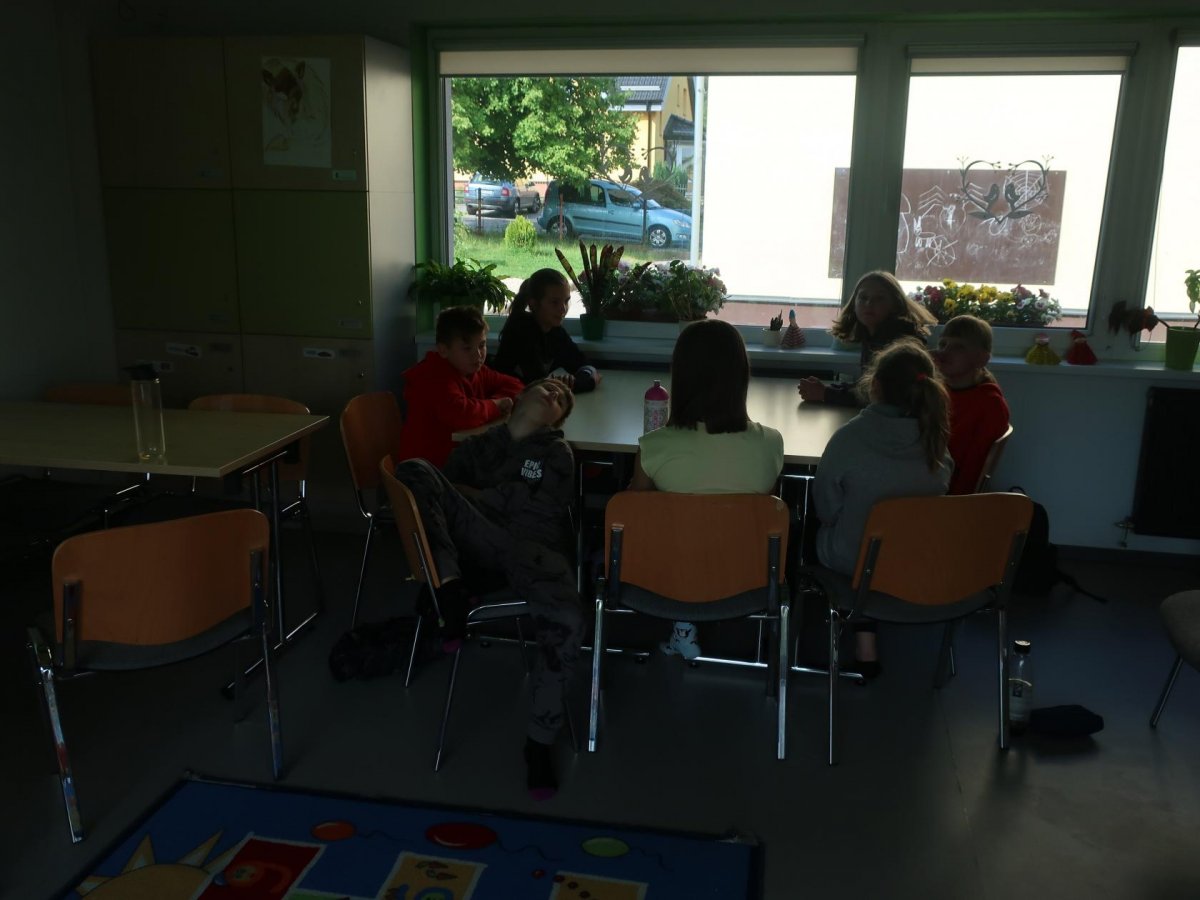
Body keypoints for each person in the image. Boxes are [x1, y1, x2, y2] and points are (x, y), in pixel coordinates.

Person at [394, 379, 581, 800]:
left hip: (534, 551)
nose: (554, 393)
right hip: (480, 543)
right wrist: (486, 498)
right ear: (520, 397)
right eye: (547, 387)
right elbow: (440, 498)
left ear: (557, 420)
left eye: (562, 399)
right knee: (415, 469)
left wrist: (475, 495)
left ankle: (539, 742)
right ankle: (450, 590)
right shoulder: (477, 446)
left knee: (568, 618)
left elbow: (538, 513)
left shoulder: (557, 453)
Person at [630, 319, 785, 659]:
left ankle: (682, 622)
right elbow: (764, 507)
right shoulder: (771, 444)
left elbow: (633, 515)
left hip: (666, 576)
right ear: (741, 375)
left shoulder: (653, 446)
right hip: (746, 576)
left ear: (680, 376)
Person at [812, 339, 952, 676]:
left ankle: (846, 632)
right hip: (915, 558)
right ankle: (867, 636)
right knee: (877, 548)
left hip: (850, 558)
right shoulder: (936, 442)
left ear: (874, 386)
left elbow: (826, 510)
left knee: (835, 538)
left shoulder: (849, 438)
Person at [397, 305, 523, 469]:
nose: (478, 355)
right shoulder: (433, 375)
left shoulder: (476, 371)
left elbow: (515, 385)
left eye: (482, 345)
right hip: (425, 470)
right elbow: (462, 414)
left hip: (456, 461)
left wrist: (494, 402)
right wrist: (496, 405)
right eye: (467, 348)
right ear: (443, 350)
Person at [798, 270, 936, 406]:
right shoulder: (872, 333)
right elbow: (867, 386)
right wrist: (828, 389)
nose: (869, 303)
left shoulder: (900, 340)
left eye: (879, 298)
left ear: (895, 305)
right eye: (863, 297)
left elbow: (881, 396)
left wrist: (825, 393)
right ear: (854, 303)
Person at [934, 315, 1011, 495]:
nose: (945, 351)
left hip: (946, 494)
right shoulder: (938, 391)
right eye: (942, 344)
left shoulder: (990, 404)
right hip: (930, 479)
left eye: (958, 347)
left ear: (981, 359)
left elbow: (973, 471)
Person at [493, 268, 601, 393]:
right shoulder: (521, 332)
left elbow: (585, 365)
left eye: (566, 301)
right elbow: (539, 387)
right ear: (534, 304)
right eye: (555, 302)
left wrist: (584, 376)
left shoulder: (555, 331)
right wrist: (582, 382)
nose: (563, 309)